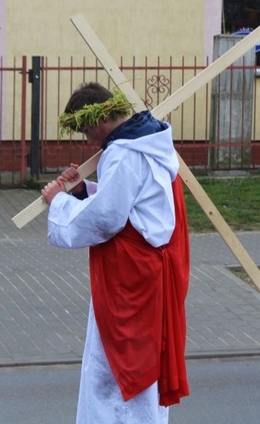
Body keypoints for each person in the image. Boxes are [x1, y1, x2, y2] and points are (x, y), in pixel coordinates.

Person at [40, 82, 190, 423]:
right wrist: (83, 191)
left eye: (86, 131)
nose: (88, 141)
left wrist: (60, 202)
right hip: (148, 270)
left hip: (132, 277)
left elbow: (108, 218)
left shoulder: (124, 151)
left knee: (118, 365)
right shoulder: (149, 143)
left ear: (98, 120)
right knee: (134, 359)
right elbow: (136, 200)